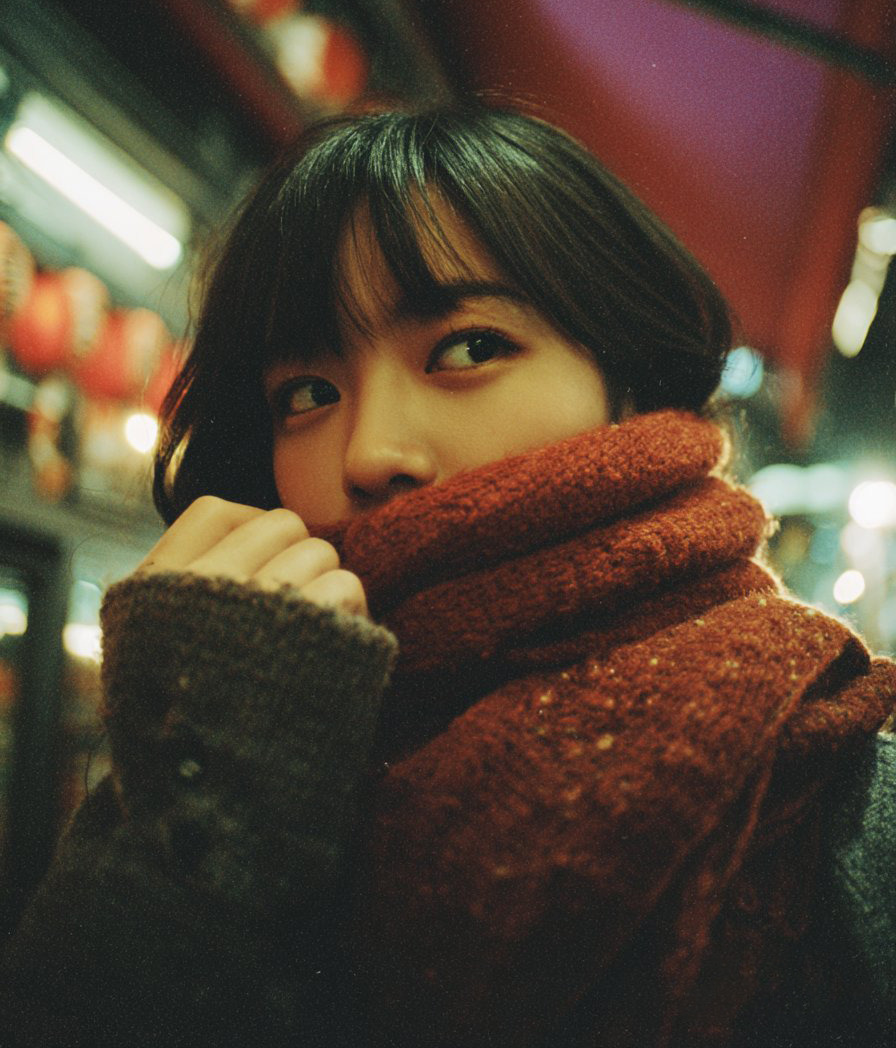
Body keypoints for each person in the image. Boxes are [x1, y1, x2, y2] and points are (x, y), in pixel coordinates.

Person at [3, 105, 895, 1047]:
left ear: (627, 379)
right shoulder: (219, 734)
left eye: (468, 348)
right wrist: (194, 811)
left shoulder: (841, 807)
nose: (370, 452)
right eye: (308, 394)